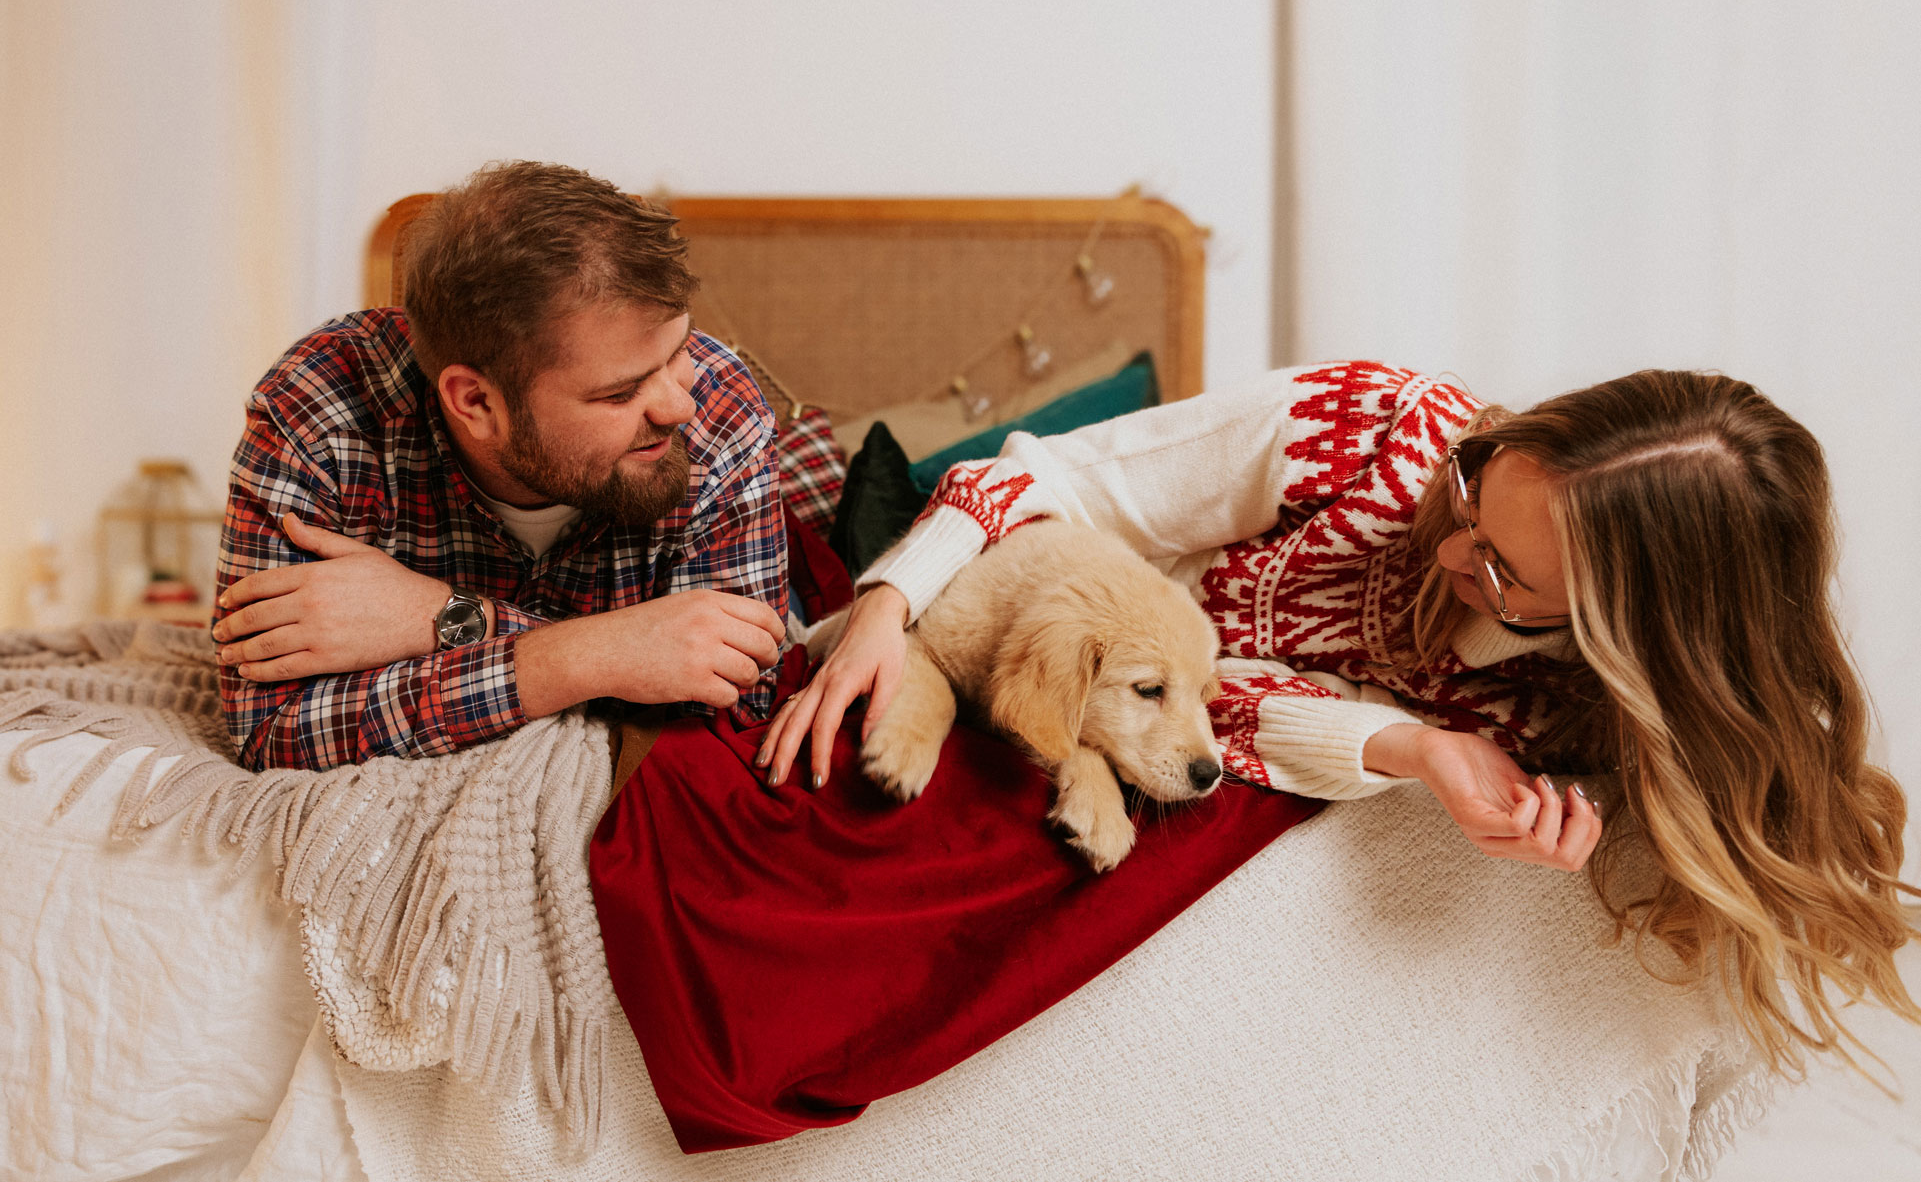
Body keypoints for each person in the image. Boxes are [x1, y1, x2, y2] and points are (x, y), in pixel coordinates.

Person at [762, 358, 1919, 1075]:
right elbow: (1048, 481)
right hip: (1030, 617)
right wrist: (887, 599)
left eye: (1508, 577)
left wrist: (1422, 756)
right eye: (1477, 492)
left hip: (1143, 738)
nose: (1454, 547)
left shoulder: (1580, 711)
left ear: (1616, 630)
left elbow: (1233, 736)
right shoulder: (1375, 430)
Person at [210, 160, 789, 772]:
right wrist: (591, 654)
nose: (679, 403)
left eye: (678, 352)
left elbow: (737, 717)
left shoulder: (721, 411)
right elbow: (269, 729)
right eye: (621, 393)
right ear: (476, 401)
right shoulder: (322, 409)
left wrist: (443, 616)